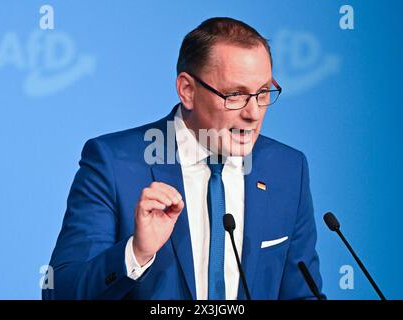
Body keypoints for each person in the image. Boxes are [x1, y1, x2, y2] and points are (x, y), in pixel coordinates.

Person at [43, 17, 324, 300]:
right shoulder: (113, 164)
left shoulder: (287, 169)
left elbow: (303, 294)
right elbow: (58, 292)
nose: (253, 113)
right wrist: (136, 253)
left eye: (262, 92)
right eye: (235, 94)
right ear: (187, 90)